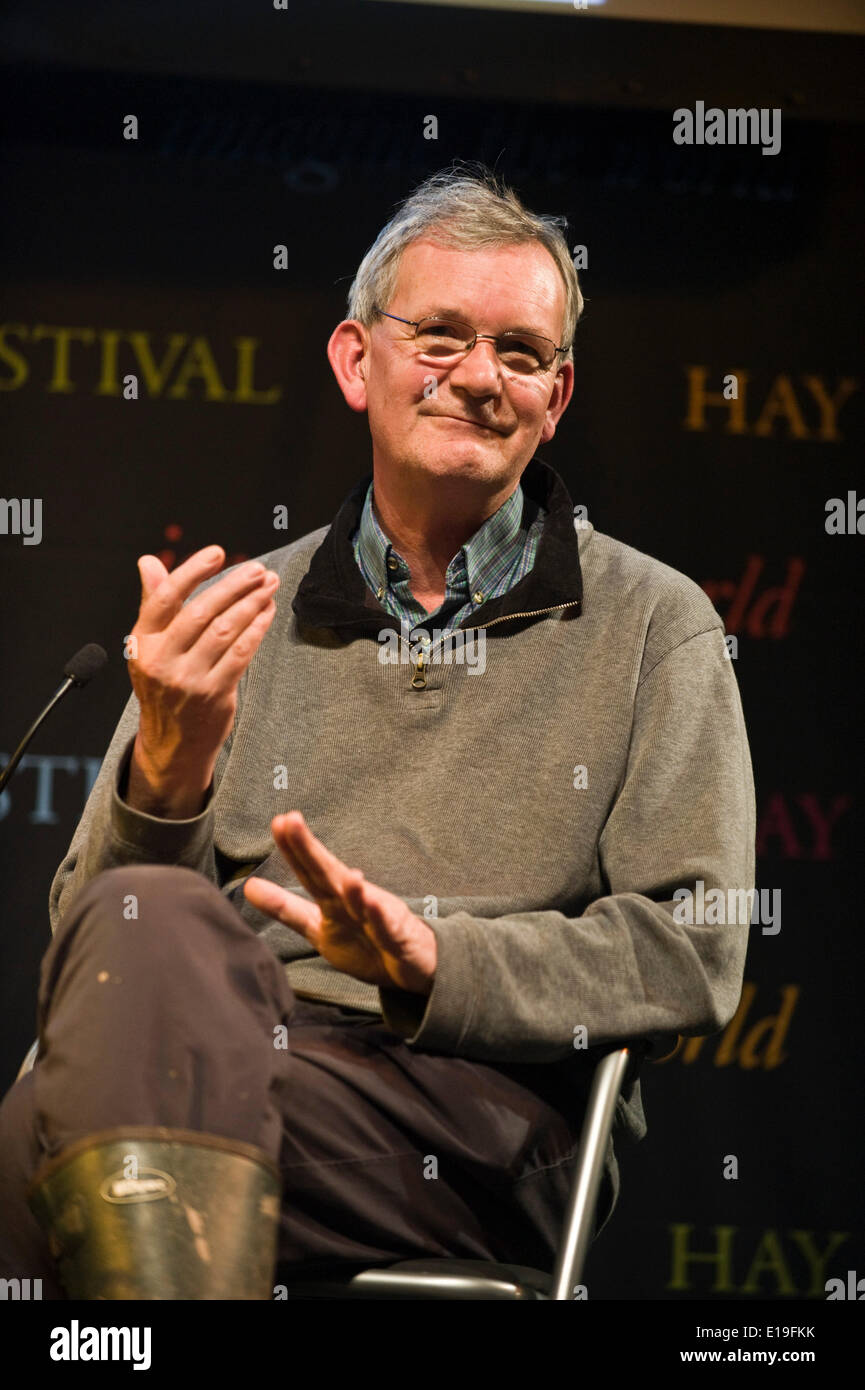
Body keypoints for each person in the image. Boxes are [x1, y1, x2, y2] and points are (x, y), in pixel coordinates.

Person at [0, 163, 755, 1299]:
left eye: (519, 351)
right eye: (441, 336)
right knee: (122, 992)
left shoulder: (657, 626)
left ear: (556, 398)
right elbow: (93, 947)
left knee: (78, 1134)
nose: (480, 378)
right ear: (359, 362)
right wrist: (167, 773)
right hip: (230, 1059)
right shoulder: (241, 614)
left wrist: (440, 962)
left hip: (485, 1111)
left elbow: (694, 943)